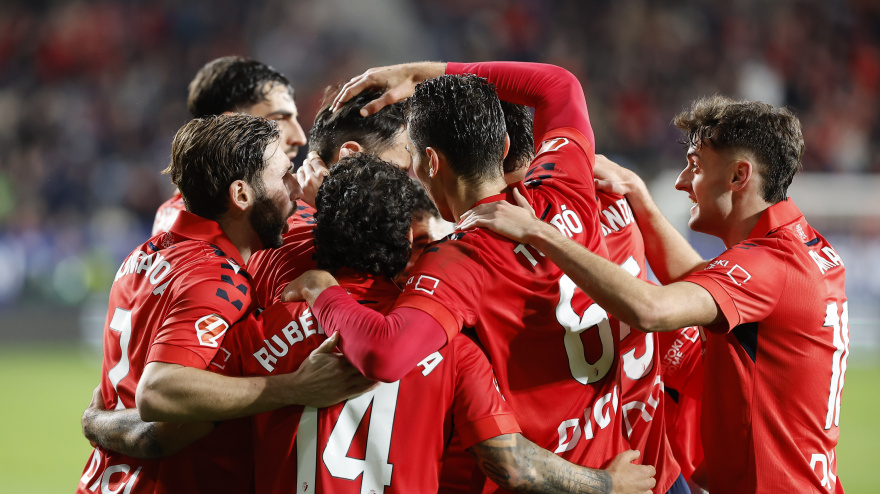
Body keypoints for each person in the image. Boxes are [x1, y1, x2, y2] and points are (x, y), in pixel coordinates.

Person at [459, 95, 848, 493]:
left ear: (738, 176)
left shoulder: (769, 267)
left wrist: (539, 233)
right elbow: (706, 283)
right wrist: (639, 195)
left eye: (695, 167)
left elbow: (652, 309)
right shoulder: (806, 250)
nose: (682, 182)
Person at [216, 154, 654, 493]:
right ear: (408, 240)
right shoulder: (452, 347)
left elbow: (182, 421)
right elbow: (513, 466)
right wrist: (608, 485)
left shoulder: (259, 330)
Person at [285, 62, 632, 484]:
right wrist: (422, 72)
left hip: (553, 475)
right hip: (611, 446)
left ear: (430, 162)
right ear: (503, 145)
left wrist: (323, 291)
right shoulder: (564, 183)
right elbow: (559, 84)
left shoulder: (456, 264)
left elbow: (385, 354)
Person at [77, 114, 373, 494]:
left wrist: (97, 424)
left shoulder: (144, 255)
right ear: (242, 195)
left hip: (105, 481)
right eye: (283, 176)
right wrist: (294, 387)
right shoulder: (217, 276)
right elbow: (158, 391)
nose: (296, 190)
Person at [152, 56, 308, 235]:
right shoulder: (244, 225)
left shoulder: (176, 213)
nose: (300, 138)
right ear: (232, 124)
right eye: (278, 120)